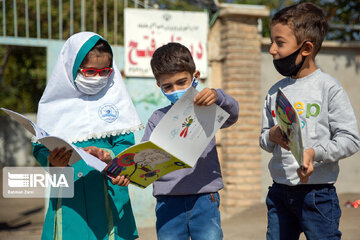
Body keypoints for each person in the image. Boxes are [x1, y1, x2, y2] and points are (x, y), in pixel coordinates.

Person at [259, 2, 360, 240]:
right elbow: (264, 139)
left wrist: (315, 153)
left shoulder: (329, 88)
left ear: (305, 48)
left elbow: (350, 139)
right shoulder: (275, 92)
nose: (272, 49)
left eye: (279, 42)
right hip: (279, 193)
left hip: (318, 195)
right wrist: (270, 135)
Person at [33, 32, 143, 240]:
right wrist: (51, 160)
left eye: (105, 72)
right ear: (71, 68)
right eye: (90, 71)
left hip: (109, 196)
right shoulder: (52, 105)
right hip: (70, 202)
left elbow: (126, 147)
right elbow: (40, 146)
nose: (98, 78)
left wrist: (107, 154)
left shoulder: (116, 102)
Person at [141, 42, 239, 240]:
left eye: (181, 82)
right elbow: (144, 158)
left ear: (196, 77)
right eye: (168, 86)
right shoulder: (156, 118)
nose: (176, 89)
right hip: (167, 202)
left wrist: (217, 96)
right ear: (159, 86)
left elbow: (232, 115)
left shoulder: (206, 106)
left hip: (204, 197)